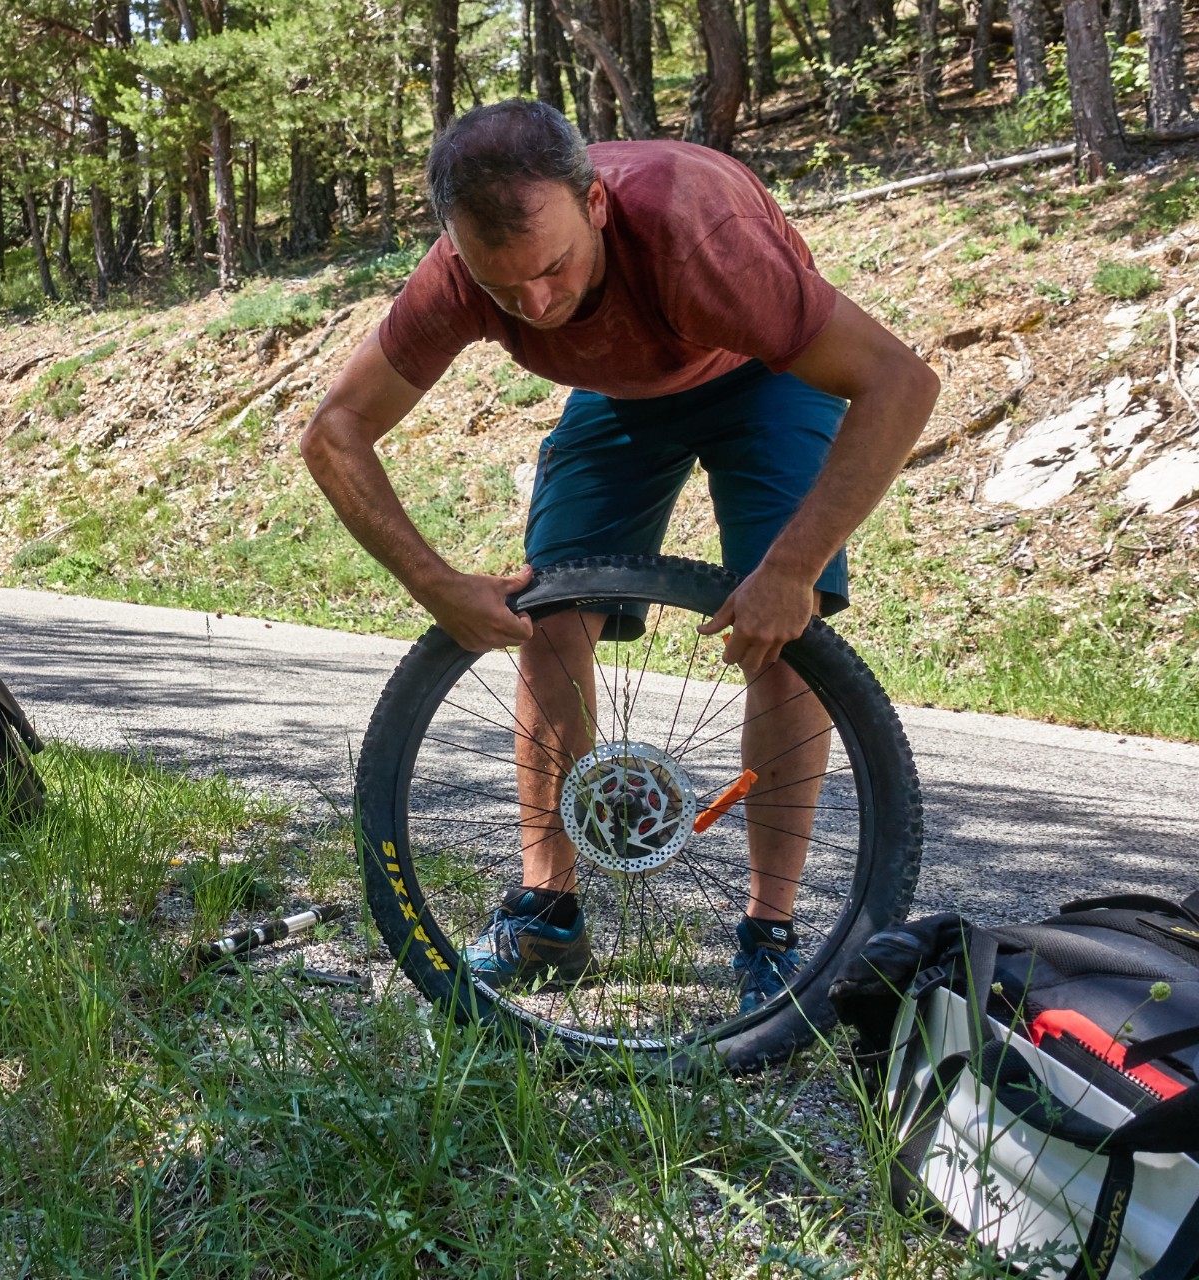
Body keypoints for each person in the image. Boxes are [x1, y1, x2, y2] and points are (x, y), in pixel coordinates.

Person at [299, 101, 939, 1012]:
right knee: (548, 621)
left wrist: (791, 569)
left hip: (763, 374)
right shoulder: (461, 278)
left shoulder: (696, 236)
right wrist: (435, 584)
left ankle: (770, 933)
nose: (538, 306)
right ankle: (548, 913)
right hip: (620, 392)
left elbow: (900, 381)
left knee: (781, 641)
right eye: (504, 287)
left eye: (553, 269)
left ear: (595, 204)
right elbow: (335, 432)